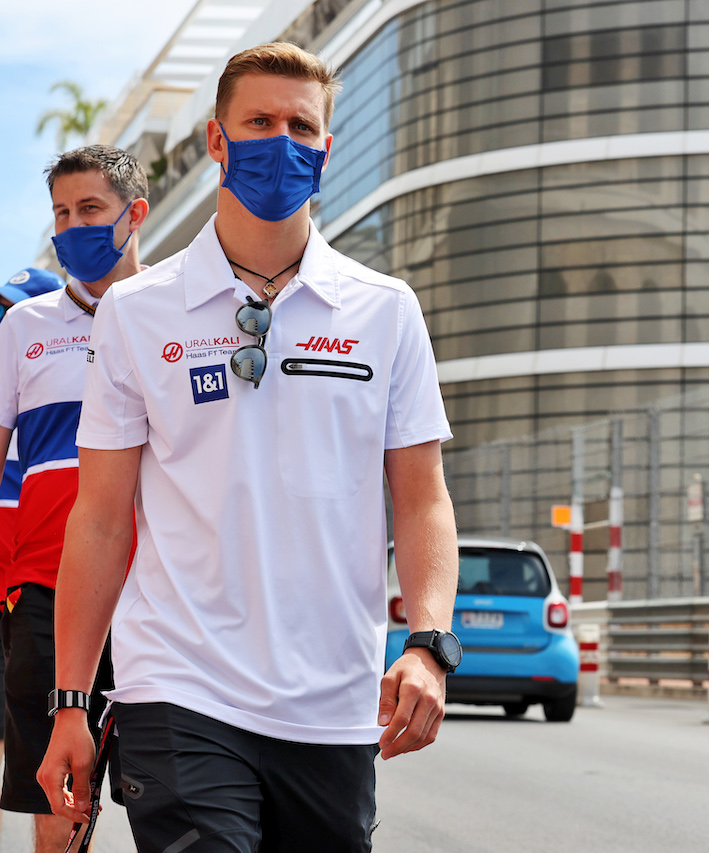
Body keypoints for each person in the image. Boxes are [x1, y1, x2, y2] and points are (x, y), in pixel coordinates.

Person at [38, 42, 459, 852]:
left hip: (333, 709)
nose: (282, 141)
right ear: (216, 141)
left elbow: (422, 496)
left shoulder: (386, 311)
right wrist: (69, 702)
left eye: (301, 125)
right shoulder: (137, 312)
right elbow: (99, 520)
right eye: (259, 121)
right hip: (179, 687)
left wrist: (430, 644)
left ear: (326, 148)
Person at [0, 147, 148, 853]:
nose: (73, 226)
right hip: (43, 593)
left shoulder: (177, 316)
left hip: (159, 592)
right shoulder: (22, 329)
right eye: (62, 213)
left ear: (133, 214)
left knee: (172, 796)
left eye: (90, 209)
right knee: (58, 803)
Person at [0, 266, 65, 844]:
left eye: (13, 309)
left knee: (58, 787)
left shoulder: (57, 415)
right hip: (16, 604)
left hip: (34, 600)